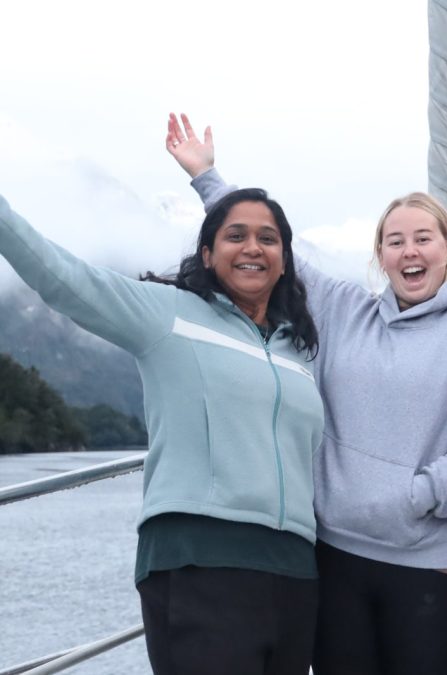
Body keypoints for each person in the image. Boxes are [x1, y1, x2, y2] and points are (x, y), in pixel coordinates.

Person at [166, 113, 447, 675]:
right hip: (335, 558)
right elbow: (273, 247)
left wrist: (415, 496)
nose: (410, 253)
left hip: (432, 565)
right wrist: (207, 177)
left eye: (423, 239)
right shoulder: (345, 310)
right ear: (380, 256)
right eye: (395, 241)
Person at [0, 188, 324, 674]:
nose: (253, 247)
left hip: (294, 569)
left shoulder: (296, 350)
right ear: (208, 254)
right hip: (198, 560)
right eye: (236, 235)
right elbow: (63, 277)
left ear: (284, 262)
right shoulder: (166, 315)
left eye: (268, 238)